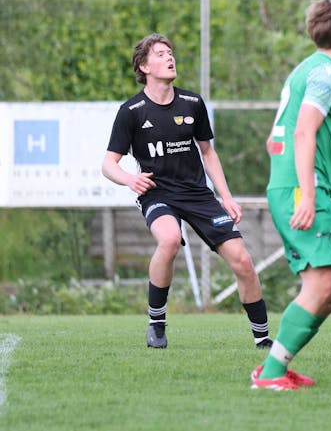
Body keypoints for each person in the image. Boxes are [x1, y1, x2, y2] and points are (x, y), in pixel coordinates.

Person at [102, 33, 270, 350]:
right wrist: (129, 179)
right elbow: (108, 164)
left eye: (171, 53)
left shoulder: (192, 103)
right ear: (144, 66)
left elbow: (208, 153)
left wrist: (227, 196)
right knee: (168, 240)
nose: (170, 58)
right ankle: (157, 324)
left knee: (243, 261)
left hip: (198, 195)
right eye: (161, 54)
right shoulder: (132, 111)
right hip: (157, 193)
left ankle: (262, 339)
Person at [251, 0, 331, 390]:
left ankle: (277, 366)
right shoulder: (325, 74)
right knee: (321, 287)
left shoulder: (307, 69)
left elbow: (275, 138)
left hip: (295, 184)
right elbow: (303, 131)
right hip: (303, 188)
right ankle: (269, 373)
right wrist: (306, 192)